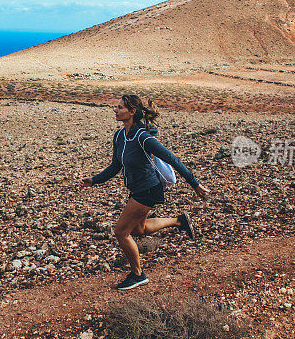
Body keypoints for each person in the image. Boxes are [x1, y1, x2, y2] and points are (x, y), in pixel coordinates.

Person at [80, 94, 209, 290]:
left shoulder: (143, 138)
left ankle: (138, 274)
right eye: (116, 107)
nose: (115, 110)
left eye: (120, 107)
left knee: (121, 232)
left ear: (132, 112)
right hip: (137, 188)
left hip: (148, 189)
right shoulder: (120, 136)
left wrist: (195, 184)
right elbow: (116, 165)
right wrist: (94, 180)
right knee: (138, 230)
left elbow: (173, 160)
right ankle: (179, 221)